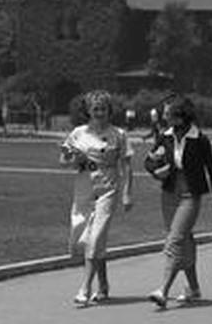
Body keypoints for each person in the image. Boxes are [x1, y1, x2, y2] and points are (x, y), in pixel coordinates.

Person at [147, 96, 212, 308]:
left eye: (166, 112)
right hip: (170, 194)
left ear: (179, 116)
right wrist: (156, 172)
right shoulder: (165, 137)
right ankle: (194, 288)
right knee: (185, 241)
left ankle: (163, 290)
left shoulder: (199, 139)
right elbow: (148, 161)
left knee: (175, 240)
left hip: (191, 195)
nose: (163, 115)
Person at [58, 90, 134, 305]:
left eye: (103, 109)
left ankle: (85, 287)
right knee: (83, 239)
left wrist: (127, 193)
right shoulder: (78, 133)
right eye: (95, 109)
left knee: (95, 238)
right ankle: (103, 284)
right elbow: (63, 161)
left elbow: (127, 166)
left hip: (108, 190)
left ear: (110, 111)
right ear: (88, 112)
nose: (99, 113)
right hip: (83, 189)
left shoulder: (118, 134)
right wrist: (74, 158)